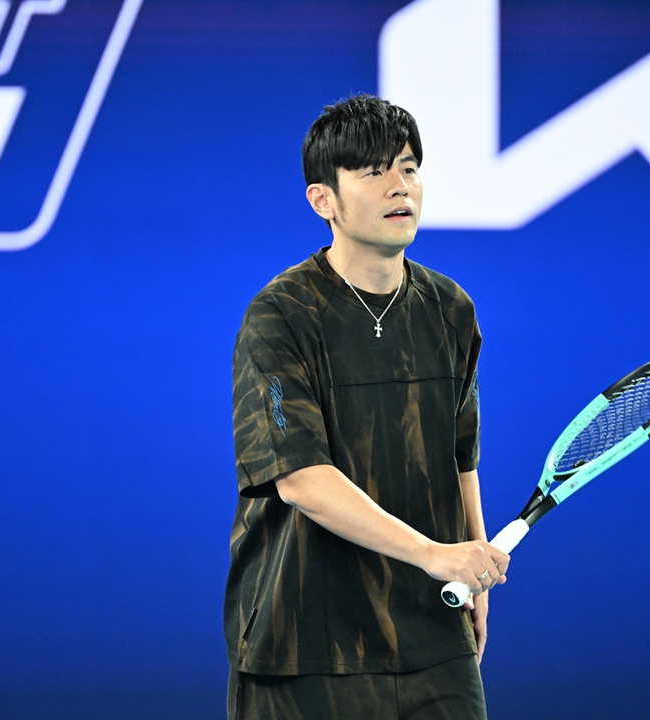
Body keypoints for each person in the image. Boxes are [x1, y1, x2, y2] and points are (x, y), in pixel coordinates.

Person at [225, 94, 508, 719]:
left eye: (408, 167)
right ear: (323, 201)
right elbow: (301, 479)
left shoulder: (450, 309)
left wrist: (473, 558)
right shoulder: (280, 317)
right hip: (301, 644)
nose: (398, 185)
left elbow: (459, 459)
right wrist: (436, 555)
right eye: (372, 171)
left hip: (432, 633)